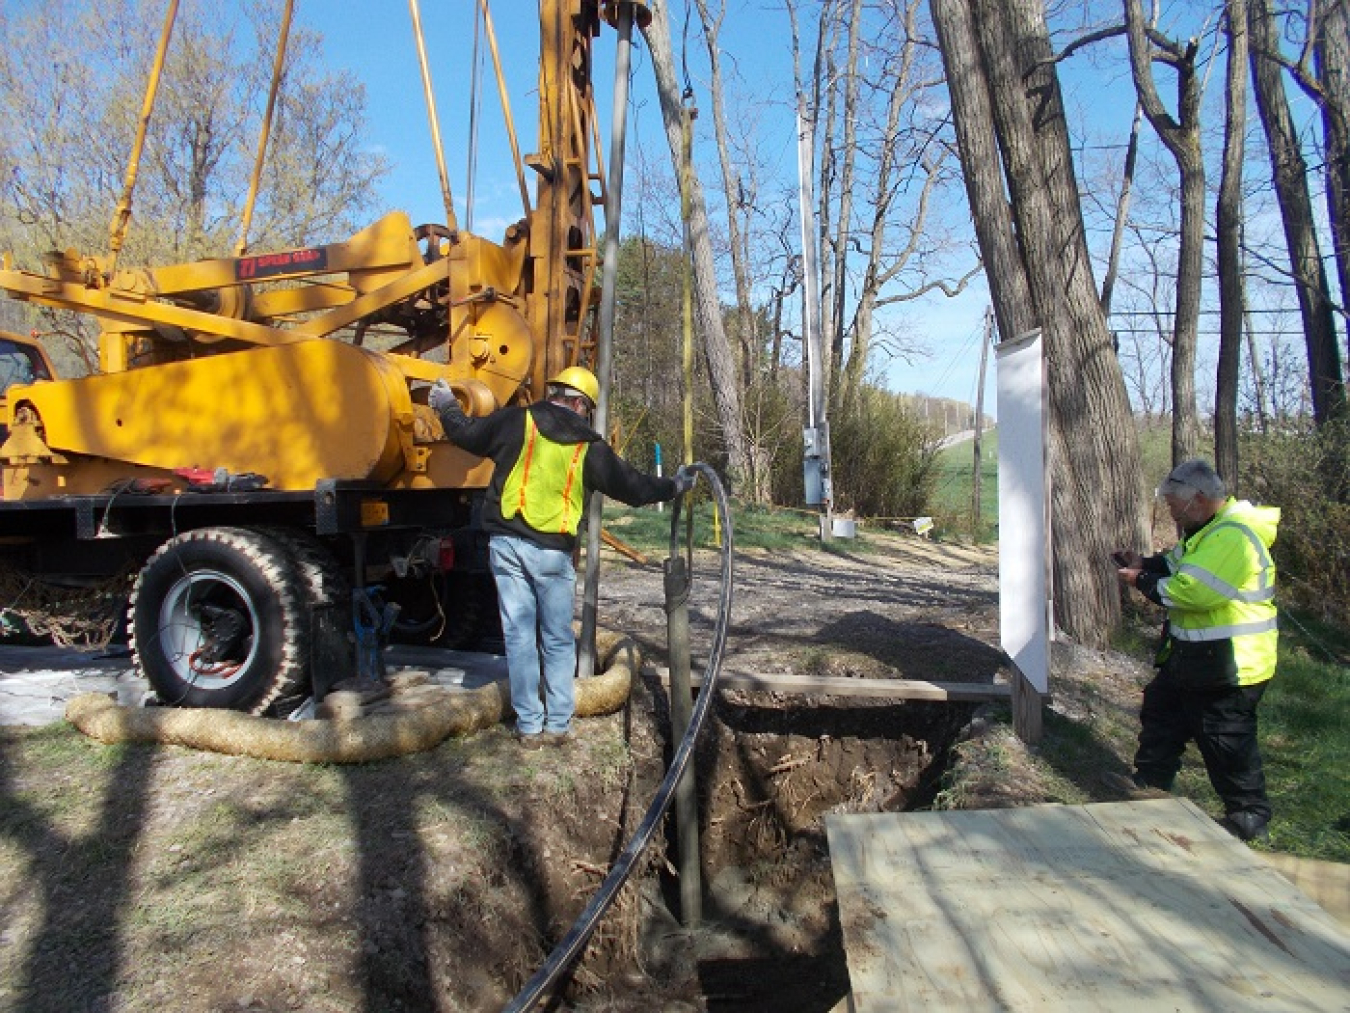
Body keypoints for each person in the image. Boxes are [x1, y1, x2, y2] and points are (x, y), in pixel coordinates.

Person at [429, 367, 694, 749]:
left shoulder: (515, 422)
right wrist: (675, 485)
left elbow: (466, 433)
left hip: (507, 547)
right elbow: (635, 488)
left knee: (519, 638)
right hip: (552, 555)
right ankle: (557, 725)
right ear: (582, 405)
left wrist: (447, 406)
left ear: (554, 393)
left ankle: (529, 727)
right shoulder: (588, 446)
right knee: (556, 640)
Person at [1114, 458, 1280, 842]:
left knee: (1225, 738)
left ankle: (1248, 815)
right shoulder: (1203, 532)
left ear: (1200, 499)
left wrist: (1141, 581)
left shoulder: (1233, 537)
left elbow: (1191, 592)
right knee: (1162, 713)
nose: (1172, 512)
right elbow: (1174, 566)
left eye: (1174, 505)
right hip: (1194, 657)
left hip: (1232, 662)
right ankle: (1149, 788)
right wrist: (1145, 564)